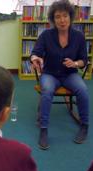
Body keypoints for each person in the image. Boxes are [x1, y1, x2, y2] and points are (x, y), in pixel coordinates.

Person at [30, 0, 89, 150]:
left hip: (70, 74)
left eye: (65, 16)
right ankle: (44, 129)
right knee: (47, 91)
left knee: (82, 90)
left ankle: (84, 125)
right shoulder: (46, 35)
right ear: (53, 19)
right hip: (50, 73)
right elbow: (35, 53)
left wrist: (75, 64)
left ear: (70, 17)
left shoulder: (79, 37)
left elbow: (84, 60)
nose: (62, 20)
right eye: (58, 17)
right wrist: (35, 59)